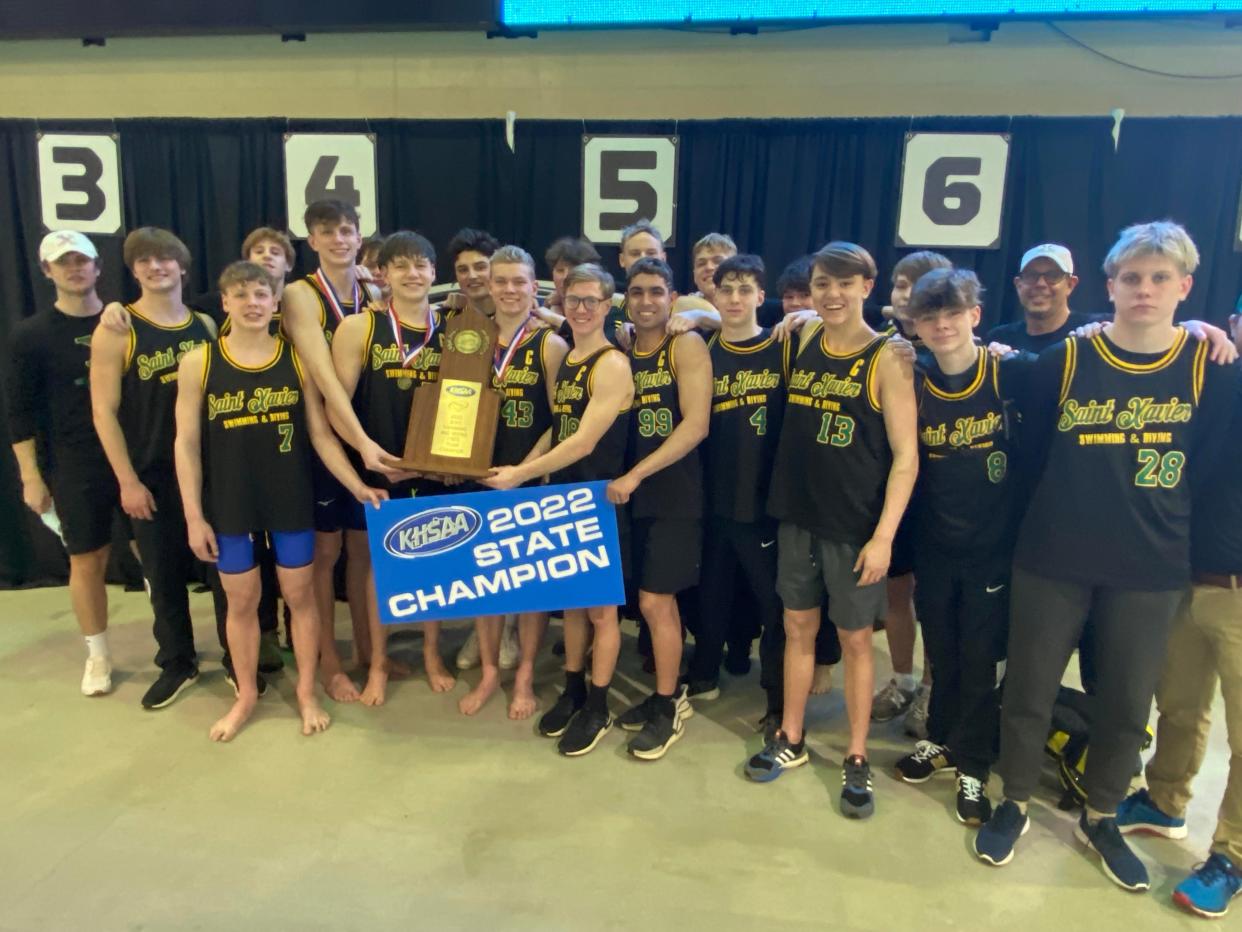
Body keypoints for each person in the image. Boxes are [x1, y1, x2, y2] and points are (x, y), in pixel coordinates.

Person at [974, 221, 1237, 893]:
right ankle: (1014, 802)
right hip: (1052, 556)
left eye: (1158, 279)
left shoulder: (1209, 366)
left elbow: (1204, 470)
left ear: (1183, 287)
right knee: (1028, 693)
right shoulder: (1067, 358)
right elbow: (1028, 443)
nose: (1144, 290)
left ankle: (1101, 815)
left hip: (1148, 567)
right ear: (1110, 287)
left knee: (1124, 705)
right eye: (1132, 278)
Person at [173, 261, 384, 741]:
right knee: (241, 602)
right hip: (231, 504)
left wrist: (356, 484)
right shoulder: (199, 362)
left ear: (276, 304)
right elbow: (185, 445)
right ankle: (246, 694)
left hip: (289, 500)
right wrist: (193, 516)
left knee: (300, 596)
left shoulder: (296, 360)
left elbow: (319, 434)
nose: (252, 303)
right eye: (241, 295)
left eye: (261, 295)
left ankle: (307, 692)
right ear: (224, 302)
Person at [748, 242, 919, 822]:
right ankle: (792, 737)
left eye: (844, 283)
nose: (832, 293)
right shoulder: (799, 338)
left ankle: (854, 753)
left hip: (854, 527)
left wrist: (885, 537)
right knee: (798, 627)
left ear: (868, 287)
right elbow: (707, 314)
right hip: (797, 515)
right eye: (822, 283)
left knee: (852, 641)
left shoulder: (888, 358)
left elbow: (905, 457)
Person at [1112, 310, 1242, 917]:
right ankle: (1164, 802)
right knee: (1181, 704)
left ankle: (1232, 857)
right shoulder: (1214, 374)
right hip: (1186, 577)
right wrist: (1195, 327)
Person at [895, 267, 1032, 825]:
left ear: (975, 316)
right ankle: (945, 739)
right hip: (935, 545)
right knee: (943, 652)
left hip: (992, 551)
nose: (943, 325)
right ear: (917, 324)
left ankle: (975, 762)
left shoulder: (1008, 374)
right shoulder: (916, 379)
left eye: (953, 313)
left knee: (980, 660)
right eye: (930, 316)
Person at [486, 263, 634, 757]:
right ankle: (572, 689)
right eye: (574, 300)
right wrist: (521, 468)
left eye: (593, 300)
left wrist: (522, 475)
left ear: (609, 304)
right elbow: (560, 428)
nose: (583, 308)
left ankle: (597, 703)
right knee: (570, 602)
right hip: (564, 494)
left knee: (600, 611)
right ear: (563, 303)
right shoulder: (571, 357)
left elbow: (587, 441)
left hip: (596, 494)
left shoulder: (612, 363)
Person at [90, 227, 216, 709]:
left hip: (205, 468)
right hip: (151, 472)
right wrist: (127, 480)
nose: (155, 266)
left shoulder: (202, 325)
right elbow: (102, 411)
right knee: (163, 576)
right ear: (133, 269)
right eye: (144, 260)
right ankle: (178, 662)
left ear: (182, 267)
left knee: (222, 569)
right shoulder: (118, 327)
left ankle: (236, 655)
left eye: (165, 258)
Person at [281, 200, 396, 704]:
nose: (339, 240)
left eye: (347, 230)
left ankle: (369, 653)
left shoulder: (372, 288)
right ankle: (329, 662)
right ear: (312, 240)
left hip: (364, 433)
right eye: (327, 232)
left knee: (364, 549)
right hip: (323, 435)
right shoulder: (299, 294)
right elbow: (325, 378)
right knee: (324, 555)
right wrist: (362, 443)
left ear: (359, 235)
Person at [330, 231, 453, 705]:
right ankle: (378, 662)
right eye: (400, 266)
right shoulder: (360, 328)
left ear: (433, 273)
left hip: (436, 468)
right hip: (379, 465)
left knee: (435, 566)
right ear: (383, 273)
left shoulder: (457, 329)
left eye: (421, 264)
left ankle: (430, 654)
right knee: (378, 568)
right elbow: (335, 404)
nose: (412, 274)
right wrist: (365, 453)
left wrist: (454, 463)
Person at [606, 257, 711, 760]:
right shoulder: (623, 348)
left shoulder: (684, 345)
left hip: (672, 494)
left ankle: (669, 704)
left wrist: (637, 473)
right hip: (629, 497)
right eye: (637, 292)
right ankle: (663, 692)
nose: (646, 300)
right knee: (640, 604)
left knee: (655, 602)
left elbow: (695, 426)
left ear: (672, 296)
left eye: (656, 291)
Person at [458, 245, 568, 719]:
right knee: (484, 584)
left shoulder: (551, 344)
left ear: (534, 287)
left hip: (527, 479)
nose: (508, 290)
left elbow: (561, 419)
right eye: (500, 281)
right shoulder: (470, 339)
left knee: (529, 590)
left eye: (518, 281)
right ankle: (488, 673)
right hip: (479, 476)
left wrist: (524, 469)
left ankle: (523, 675)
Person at [7, 231, 119, 696]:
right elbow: (18, 412)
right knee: (86, 557)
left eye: (82, 260)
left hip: (134, 457)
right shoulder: (30, 336)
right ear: (48, 271)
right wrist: (30, 476)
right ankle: (98, 656)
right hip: (75, 463)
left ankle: (172, 645)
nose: (75, 269)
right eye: (64, 262)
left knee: (154, 552)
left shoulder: (122, 322)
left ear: (97, 267)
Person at [683, 254, 792, 726]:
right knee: (711, 593)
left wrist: (804, 315)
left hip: (763, 503)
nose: (734, 298)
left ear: (760, 298)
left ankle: (777, 699)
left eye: (745, 289)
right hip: (709, 498)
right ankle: (704, 669)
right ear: (714, 294)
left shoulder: (782, 346)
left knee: (773, 605)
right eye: (726, 289)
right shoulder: (701, 348)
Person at [871, 251, 951, 736]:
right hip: (893, 492)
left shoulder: (956, 349)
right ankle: (902, 678)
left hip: (941, 497)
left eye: (917, 286)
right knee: (896, 591)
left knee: (935, 599)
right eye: (900, 284)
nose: (905, 294)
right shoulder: (881, 347)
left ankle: (931, 687)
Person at [985, 244, 1098, 353]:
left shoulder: (1092, 332)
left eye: (1053, 276)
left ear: (1070, 285)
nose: (1040, 284)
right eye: (1031, 275)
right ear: (1018, 285)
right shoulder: (999, 339)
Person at [689, 233, 738, 305]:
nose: (709, 267)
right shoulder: (682, 311)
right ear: (694, 275)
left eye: (718, 261)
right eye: (701, 264)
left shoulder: (745, 305)